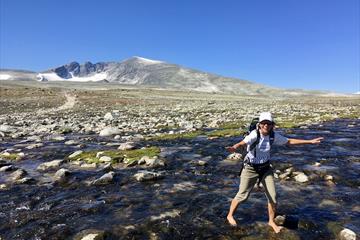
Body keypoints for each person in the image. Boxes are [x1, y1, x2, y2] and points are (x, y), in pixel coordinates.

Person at [225, 112, 323, 233]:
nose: (266, 125)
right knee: (242, 195)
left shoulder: (273, 136)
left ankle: (271, 221)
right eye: (264, 123)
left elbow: (289, 141)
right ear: (259, 124)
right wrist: (235, 147)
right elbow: (243, 142)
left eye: (269, 123)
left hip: (265, 168)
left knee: (273, 197)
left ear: (272, 125)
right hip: (250, 168)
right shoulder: (254, 134)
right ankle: (230, 215)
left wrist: (310, 142)